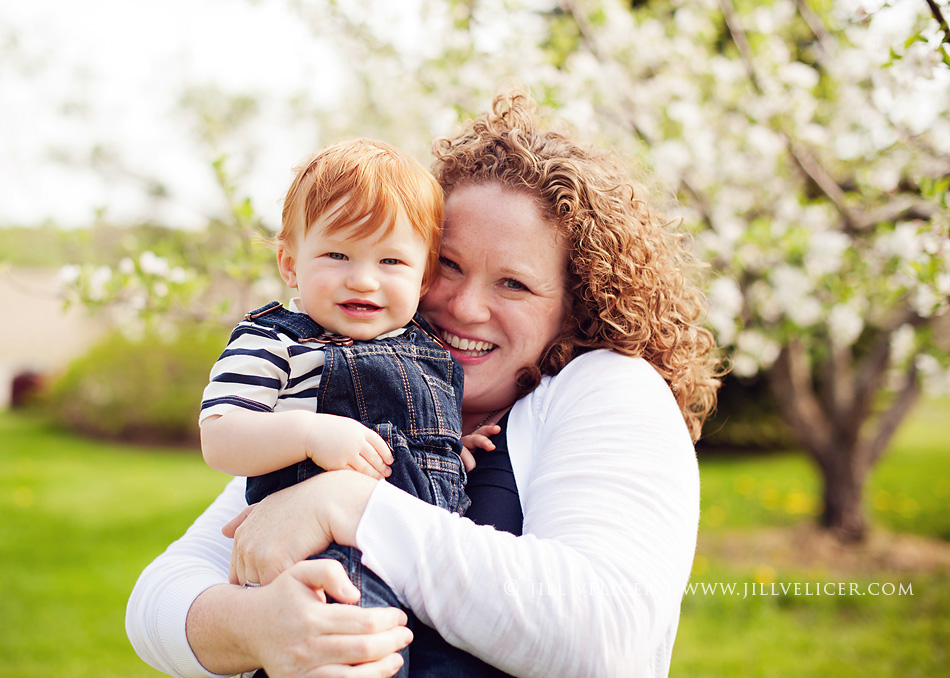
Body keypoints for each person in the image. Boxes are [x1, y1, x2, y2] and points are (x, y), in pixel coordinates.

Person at [127, 87, 722, 678]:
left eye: (513, 284)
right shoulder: (346, 383)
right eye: (449, 267)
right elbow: (157, 601)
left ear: (576, 304)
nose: (465, 307)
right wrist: (257, 629)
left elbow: (607, 640)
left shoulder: (606, 389)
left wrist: (349, 505)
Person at [198, 137, 496, 675]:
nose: (362, 278)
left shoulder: (424, 345)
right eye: (337, 254)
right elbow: (220, 436)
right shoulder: (275, 342)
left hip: (423, 561)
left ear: (424, 277)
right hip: (328, 559)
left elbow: (418, 436)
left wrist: (451, 446)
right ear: (290, 264)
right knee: (353, 656)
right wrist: (310, 434)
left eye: (391, 260)